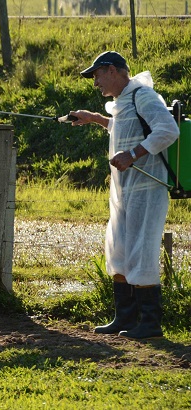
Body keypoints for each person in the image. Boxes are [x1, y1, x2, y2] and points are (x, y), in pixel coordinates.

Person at [70, 51, 179, 339]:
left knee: (141, 252)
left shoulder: (142, 95)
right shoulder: (123, 102)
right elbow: (124, 129)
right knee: (119, 250)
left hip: (147, 189)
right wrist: (95, 119)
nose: (95, 83)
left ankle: (150, 324)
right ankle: (125, 318)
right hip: (124, 190)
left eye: (96, 75)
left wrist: (132, 155)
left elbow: (168, 130)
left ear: (112, 70)